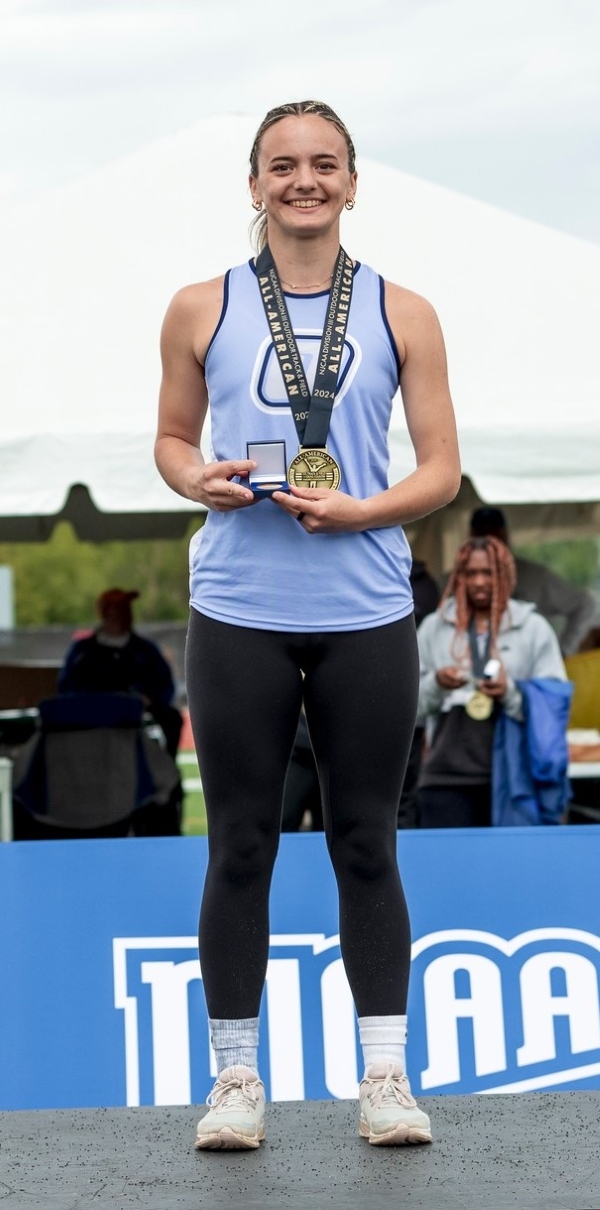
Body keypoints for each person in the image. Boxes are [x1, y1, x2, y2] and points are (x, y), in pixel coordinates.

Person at [155, 99, 460, 1151]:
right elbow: (168, 438)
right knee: (238, 843)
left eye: (324, 164)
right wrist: (196, 474)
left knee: (366, 840)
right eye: (283, 165)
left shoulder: (402, 311)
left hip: (367, 607)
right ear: (253, 185)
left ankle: (385, 1075)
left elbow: (439, 467)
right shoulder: (200, 306)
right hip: (237, 606)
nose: (304, 180)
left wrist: (362, 511)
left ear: (352, 181)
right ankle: (236, 1082)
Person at [416, 535, 568, 828]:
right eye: (471, 573)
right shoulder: (435, 627)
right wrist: (437, 683)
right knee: (451, 867)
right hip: (445, 776)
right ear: (459, 577)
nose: (479, 582)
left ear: (505, 575)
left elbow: (554, 705)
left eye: (488, 573)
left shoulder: (532, 627)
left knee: (512, 868)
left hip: (513, 775)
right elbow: (410, 707)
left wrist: (509, 691)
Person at [58, 588, 184, 834]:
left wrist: (146, 702)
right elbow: (66, 692)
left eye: (124, 610)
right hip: (92, 745)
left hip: (139, 739)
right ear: (105, 613)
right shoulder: (83, 652)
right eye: (115, 610)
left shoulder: (145, 652)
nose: (121, 616)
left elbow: (164, 691)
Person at [470, 506, 596, 657]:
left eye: (494, 534)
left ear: (505, 535)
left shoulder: (533, 584)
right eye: (482, 535)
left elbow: (585, 603)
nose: (489, 543)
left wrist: (564, 651)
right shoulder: (452, 591)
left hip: (528, 666)